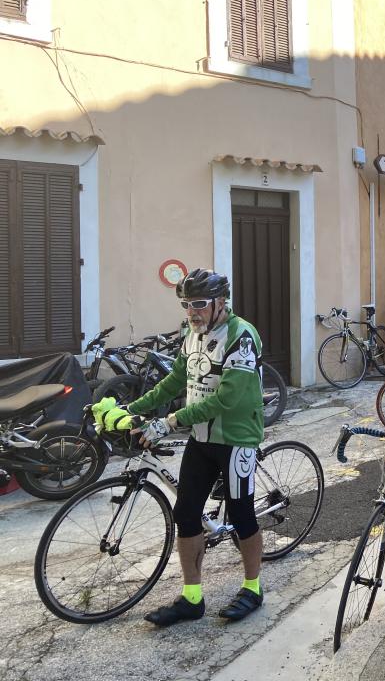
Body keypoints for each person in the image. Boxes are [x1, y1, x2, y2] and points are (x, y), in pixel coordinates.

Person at [92, 268, 266, 627]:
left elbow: (228, 399)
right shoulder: (192, 334)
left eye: (199, 304)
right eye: (187, 304)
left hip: (236, 440)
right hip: (201, 439)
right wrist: (132, 407)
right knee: (185, 514)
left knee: (242, 516)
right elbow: (175, 381)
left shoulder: (242, 337)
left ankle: (253, 588)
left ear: (221, 302)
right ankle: (192, 598)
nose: (192, 312)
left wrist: (170, 422)